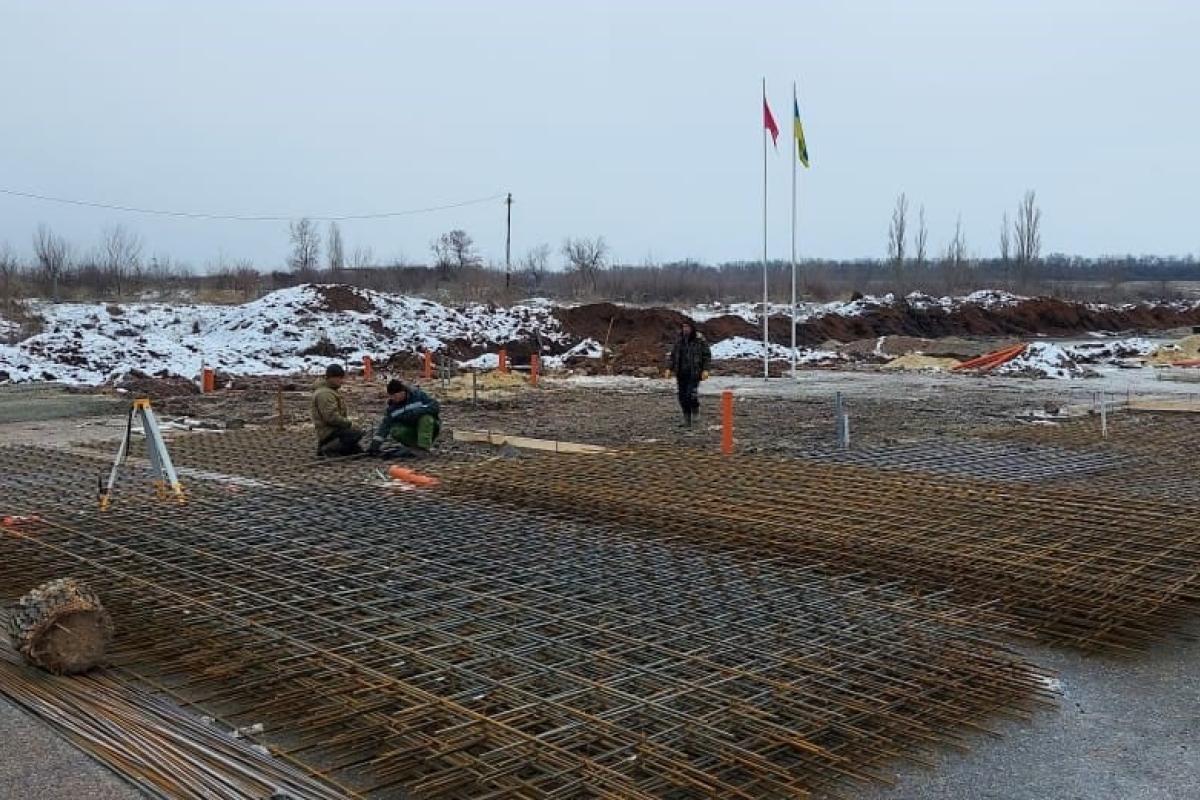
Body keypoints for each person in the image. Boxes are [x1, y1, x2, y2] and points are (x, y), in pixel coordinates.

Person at [368, 379, 442, 455]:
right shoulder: (392, 408)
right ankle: (414, 447)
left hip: (429, 429)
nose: (393, 398)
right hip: (410, 429)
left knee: (426, 418)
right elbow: (385, 426)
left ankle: (423, 448)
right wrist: (375, 445)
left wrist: (416, 412)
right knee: (395, 430)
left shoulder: (419, 396)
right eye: (391, 396)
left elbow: (434, 406)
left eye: (395, 395)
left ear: (402, 392)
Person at [311, 364, 365, 457]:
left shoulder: (329, 391)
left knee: (357, 451)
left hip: (333, 430)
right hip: (329, 431)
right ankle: (328, 448)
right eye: (339, 378)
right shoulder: (325, 394)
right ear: (331, 378)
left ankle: (325, 447)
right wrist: (350, 424)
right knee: (356, 433)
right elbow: (331, 417)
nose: (341, 381)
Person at [668, 320, 711, 427]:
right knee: (682, 397)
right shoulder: (679, 341)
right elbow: (673, 356)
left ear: (692, 328)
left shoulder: (699, 340)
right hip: (681, 373)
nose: (685, 329)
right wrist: (669, 368)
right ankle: (686, 418)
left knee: (690, 395)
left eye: (687, 327)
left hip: (694, 372)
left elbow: (706, 356)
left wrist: (705, 369)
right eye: (683, 327)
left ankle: (695, 410)